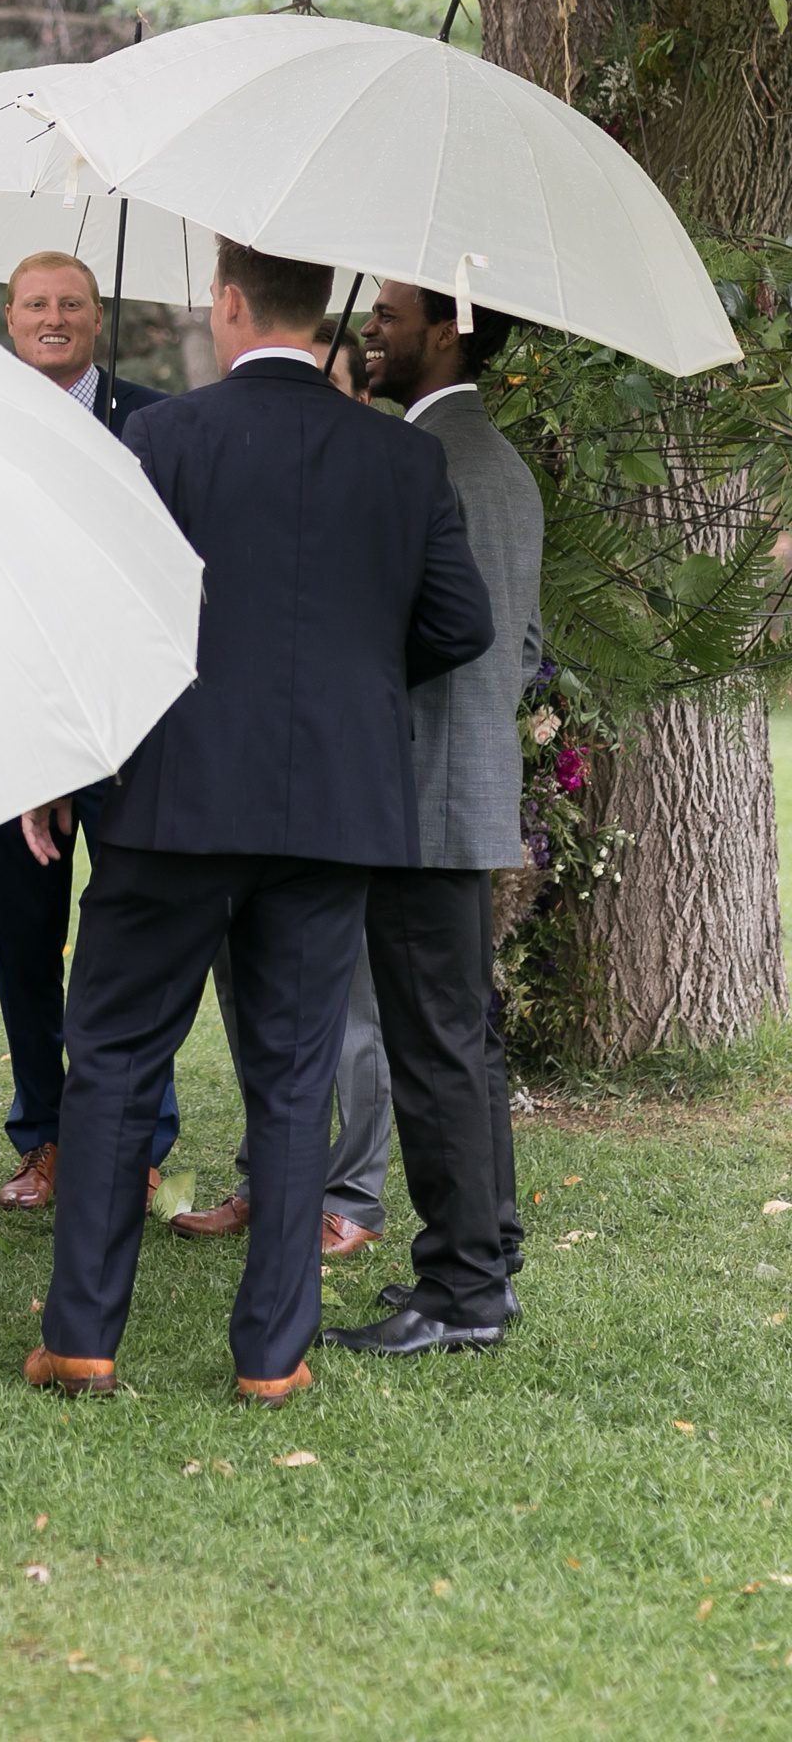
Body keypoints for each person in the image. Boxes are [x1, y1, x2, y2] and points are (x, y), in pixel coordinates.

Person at [22, 240, 494, 1407]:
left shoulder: (158, 439)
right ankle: (270, 1358)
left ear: (228, 305)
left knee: (117, 1056)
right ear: (323, 309)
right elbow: (459, 623)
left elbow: (101, 616)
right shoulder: (399, 459)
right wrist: (351, 680)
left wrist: (61, 763)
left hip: (169, 799)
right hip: (333, 807)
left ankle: (82, 1337)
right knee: (291, 1078)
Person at [321, 278, 544, 1359]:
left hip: (418, 792)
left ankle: (459, 1290)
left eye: (390, 310)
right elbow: (522, 645)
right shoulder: (490, 458)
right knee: (464, 1036)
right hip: (464, 786)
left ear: (448, 327)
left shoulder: (435, 458)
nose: (370, 323)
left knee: (434, 1044)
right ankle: (485, 1251)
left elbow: (435, 628)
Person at [176, 312, 393, 1260]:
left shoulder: (385, 477)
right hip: (234, 784)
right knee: (248, 1004)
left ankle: (349, 1195)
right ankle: (269, 1184)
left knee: (343, 1015)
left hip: (340, 785)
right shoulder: (243, 475)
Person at [0, 248, 177, 1211]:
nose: (52, 317)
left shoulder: (153, 422)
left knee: (137, 943)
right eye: (35, 304)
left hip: (129, 728)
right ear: (8, 319)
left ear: (99, 318)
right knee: (21, 941)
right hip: (8, 723)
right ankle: (46, 1137)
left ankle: (132, 1140)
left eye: (72, 304)